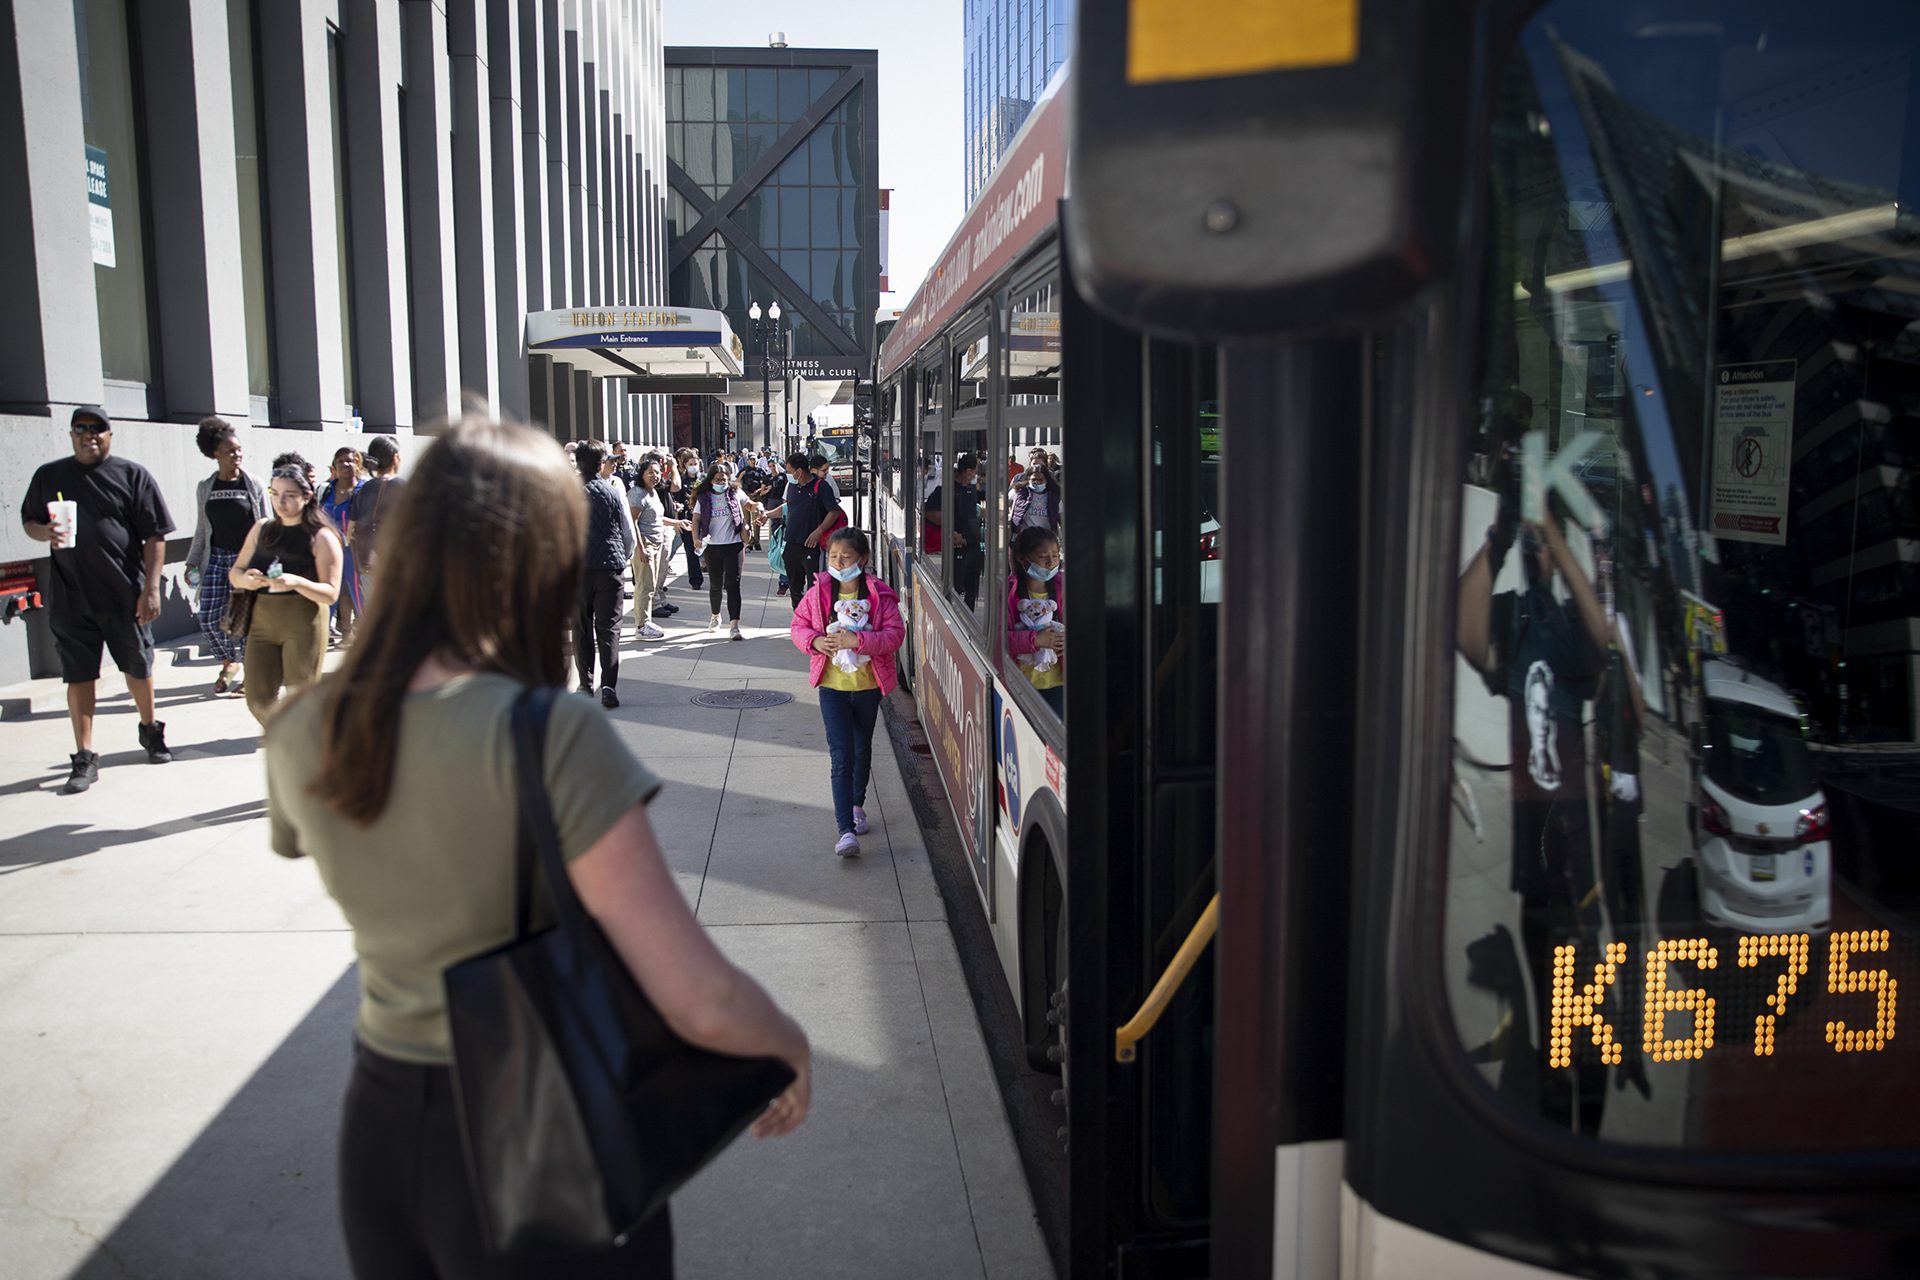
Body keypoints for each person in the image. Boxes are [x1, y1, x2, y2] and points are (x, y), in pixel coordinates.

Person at [264, 417, 811, 1279]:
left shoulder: (302, 729)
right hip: (530, 1121)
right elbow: (697, 994)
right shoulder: (546, 734)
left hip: (381, 1127)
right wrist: (787, 1042)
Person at [1457, 502, 1610, 1131]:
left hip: (1578, 864)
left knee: (1590, 1026)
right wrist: (1498, 536)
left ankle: (1589, 1139)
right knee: (1555, 1025)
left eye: (1537, 542)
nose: (1533, 547)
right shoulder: (1515, 618)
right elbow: (1463, 632)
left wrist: (1558, 540)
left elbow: (1606, 648)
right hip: (1534, 866)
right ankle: (1559, 1135)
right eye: (1529, 540)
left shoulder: (1572, 625)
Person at [20, 405, 177, 792]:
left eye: (97, 429)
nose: (89, 434)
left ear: (110, 434)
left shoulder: (132, 475)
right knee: (79, 675)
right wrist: (46, 534)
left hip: (125, 594)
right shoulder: (50, 476)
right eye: (80, 429)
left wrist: (151, 588)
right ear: (71, 435)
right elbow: (30, 521)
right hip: (71, 596)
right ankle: (85, 756)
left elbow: (155, 535)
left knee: (138, 668)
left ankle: (150, 730)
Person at [790, 528, 905, 857]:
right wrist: (814, 642)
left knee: (861, 747)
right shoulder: (819, 594)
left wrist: (860, 641)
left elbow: (895, 636)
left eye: (846, 557)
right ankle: (845, 830)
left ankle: (857, 804)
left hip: (868, 688)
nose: (838, 563)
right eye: (833, 557)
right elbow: (798, 626)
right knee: (841, 756)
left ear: (863, 560)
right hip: (832, 689)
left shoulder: (880, 596)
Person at [229, 466, 343, 725]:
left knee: (301, 698)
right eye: (275, 493)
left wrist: (297, 582)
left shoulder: (321, 536)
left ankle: (310, 744)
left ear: (306, 496)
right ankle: (290, 737)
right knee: (257, 699)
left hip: (304, 622)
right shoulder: (262, 529)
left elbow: (331, 593)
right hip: (262, 622)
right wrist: (246, 579)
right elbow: (235, 571)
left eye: (289, 494)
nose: (281, 501)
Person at [184, 416, 267, 695]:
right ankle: (229, 661)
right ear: (215, 454)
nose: (237, 455)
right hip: (216, 559)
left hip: (245, 563)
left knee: (241, 621)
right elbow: (201, 528)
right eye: (230, 451)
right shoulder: (205, 487)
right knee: (207, 618)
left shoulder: (252, 484)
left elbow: (265, 523)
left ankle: (251, 674)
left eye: (239, 450)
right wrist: (192, 561)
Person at [574, 440, 636, 704]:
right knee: (609, 628)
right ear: (601, 464)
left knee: (581, 628)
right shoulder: (612, 491)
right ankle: (608, 686)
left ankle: (585, 685)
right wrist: (624, 556)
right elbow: (627, 532)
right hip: (610, 567)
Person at [760, 452, 842, 612]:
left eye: (789, 471)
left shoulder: (821, 486)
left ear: (799, 471)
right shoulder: (791, 486)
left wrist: (819, 531)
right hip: (791, 543)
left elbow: (834, 511)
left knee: (815, 587)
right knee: (795, 586)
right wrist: (767, 515)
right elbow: (788, 508)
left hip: (811, 545)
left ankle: (816, 620)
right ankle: (800, 618)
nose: (787, 474)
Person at [1006, 526, 1066, 718]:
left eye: (1055, 555)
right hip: (1020, 685)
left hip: (1057, 686)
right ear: (1023, 559)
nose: (1051, 562)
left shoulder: (1064, 588)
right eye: (1043, 556)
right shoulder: (1008, 593)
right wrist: (1036, 640)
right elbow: (999, 640)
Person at [923, 453, 985, 611]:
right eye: (970, 472)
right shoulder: (946, 489)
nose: (972, 476)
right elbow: (929, 512)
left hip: (974, 545)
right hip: (956, 547)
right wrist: (951, 532)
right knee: (957, 588)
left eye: (974, 473)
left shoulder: (971, 487)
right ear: (963, 471)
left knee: (972, 590)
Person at [347, 436, 405, 605]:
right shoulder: (404, 487)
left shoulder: (364, 488)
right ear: (395, 457)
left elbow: (350, 530)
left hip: (367, 564)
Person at [693, 461, 747, 641]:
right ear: (710, 480)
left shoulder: (735, 492)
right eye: (717, 479)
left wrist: (760, 509)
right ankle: (715, 615)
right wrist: (696, 538)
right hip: (713, 546)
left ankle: (734, 625)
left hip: (734, 544)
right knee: (716, 585)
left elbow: (750, 504)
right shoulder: (704, 497)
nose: (721, 482)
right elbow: (696, 519)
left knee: (733, 585)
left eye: (723, 479)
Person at [318, 448, 364, 646]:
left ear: (357, 464)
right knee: (324, 603)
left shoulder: (364, 491)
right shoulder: (325, 490)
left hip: (354, 554)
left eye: (350, 460)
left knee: (362, 602)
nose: (346, 464)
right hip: (327, 554)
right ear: (334, 466)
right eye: (341, 461)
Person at [625, 459, 672, 641]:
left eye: (658, 472)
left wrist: (677, 523)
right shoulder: (638, 493)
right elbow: (633, 522)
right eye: (650, 472)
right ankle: (642, 625)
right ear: (642, 473)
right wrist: (641, 549)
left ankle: (645, 622)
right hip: (645, 543)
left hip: (656, 543)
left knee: (650, 585)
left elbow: (658, 519)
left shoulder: (652, 493)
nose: (655, 476)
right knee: (645, 585)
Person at [1009, 458, 1060, 540]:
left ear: (1046, 481)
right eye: (1034, 480)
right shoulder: (1018, 492)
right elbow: (1002, 507)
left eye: (1041, 480)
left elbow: (1062, 519)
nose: (1037, 482)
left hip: (1045, 541)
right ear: (1028, 479)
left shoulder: (1054, 497)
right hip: (1023, 540)